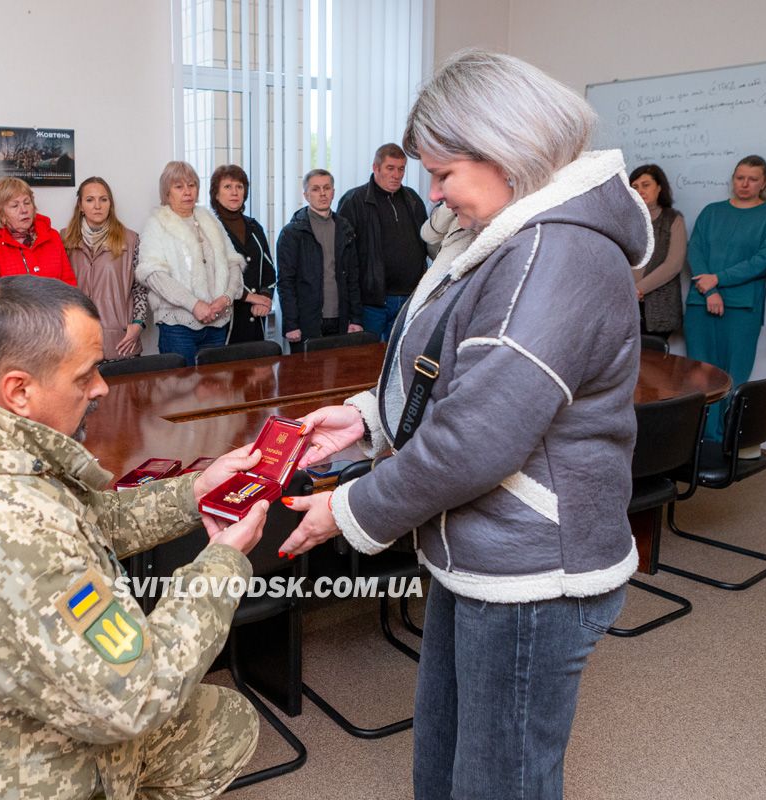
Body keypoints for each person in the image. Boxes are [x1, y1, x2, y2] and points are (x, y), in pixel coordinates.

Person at [277, 49, 645, 800]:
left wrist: (346, 509)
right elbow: (439, 366)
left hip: (533, 567)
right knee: (445, 754)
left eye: (444, 174)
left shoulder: (555, 252)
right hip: (477, 547)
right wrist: (364, 420)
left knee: (498, 777)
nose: (435, 195)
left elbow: (477, 436)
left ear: (507, 150)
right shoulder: (501, 236)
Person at [0, 276, 267, 799]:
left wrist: (194, 491)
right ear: (19, 390)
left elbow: (85, 520)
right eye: (86, 375)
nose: (102, 387)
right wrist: (221, 563)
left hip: (3, 720)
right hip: (4, 773)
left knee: (222, 718)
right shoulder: (1, 524)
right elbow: (136, 693)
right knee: (210, 721)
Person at [684, 155, 766, 442]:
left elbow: (762, 261)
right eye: (740, 177)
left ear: (763, 182)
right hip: (700, 302)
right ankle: (698, 440)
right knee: (699, 375)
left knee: (734, 376)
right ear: (733, 179)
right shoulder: (711, 211)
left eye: (753, 179)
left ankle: (722, 441)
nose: (745, 183)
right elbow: (696, 251)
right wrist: (711, 290)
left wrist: (718, 280)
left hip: (743, 306)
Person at [136, 161, 245, 365]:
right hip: (178, 328)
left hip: (217, 322)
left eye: (192, 185)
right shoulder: (156, 223)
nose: (187, 192)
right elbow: (154, 275)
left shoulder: (209, 219)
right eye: (179, 187)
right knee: (181, 391)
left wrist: (226, 298)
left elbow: (233, 262)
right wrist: (194, 305)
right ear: (167, 193)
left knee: (216, 389)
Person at [337, 142, 429, 340]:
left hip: (410, 299)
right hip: (372, 303)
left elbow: (426, 241)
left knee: (400, 361)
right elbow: (343, 258)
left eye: (401, 169)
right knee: (369, 363)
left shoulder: (412, 199)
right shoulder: (354, 200)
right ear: (375, 168)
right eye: (390, 168)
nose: (396, 175)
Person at [276, 169, 363, 353]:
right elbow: (285, 282)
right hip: (307, 321)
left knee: (339, 375)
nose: (322, 193)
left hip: (340, 319)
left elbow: (353, 278)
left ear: (333, 192)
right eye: (315, 189)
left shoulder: (345, 229)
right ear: (306, 195)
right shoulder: (292, 233)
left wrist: (356, 318)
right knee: (307, 378)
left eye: (327, 188)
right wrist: (291, 324)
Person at [61, 176, 147, 360]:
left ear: (110, 204)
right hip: (78, 342)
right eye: (90, 200)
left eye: (103, 199)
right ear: (81, 206)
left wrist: (138, 324)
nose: (97, 206)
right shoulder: (63, 240)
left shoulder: (131, 240)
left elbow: (140, 288)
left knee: (127, 390)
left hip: (121, 341)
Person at [209, 165, 276, 343]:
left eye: (239, 187)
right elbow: (212, 276)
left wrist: (265, 297)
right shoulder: (210, 229)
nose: (234, 192)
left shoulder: (254, 227)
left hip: (256, 319)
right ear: (216, 194)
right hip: (225, 320)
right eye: (228, 187)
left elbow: (269, 270)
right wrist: (251, 297)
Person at [0, 177, 77, 286]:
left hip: (55, 303)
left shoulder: (52, 235)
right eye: (15, 205)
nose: (24, 210)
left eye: (27, 202)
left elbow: (68, 282)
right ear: (1, 214)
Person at [629, 164, 686, 340]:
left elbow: (673, 265)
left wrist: (638, 289)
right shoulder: (626, 221)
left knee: (654, 361)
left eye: (646, 185)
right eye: (635, 187)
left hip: (659, 305)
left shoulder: (673, 219)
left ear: (659, 187)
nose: (640, 191)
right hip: (625, 302)